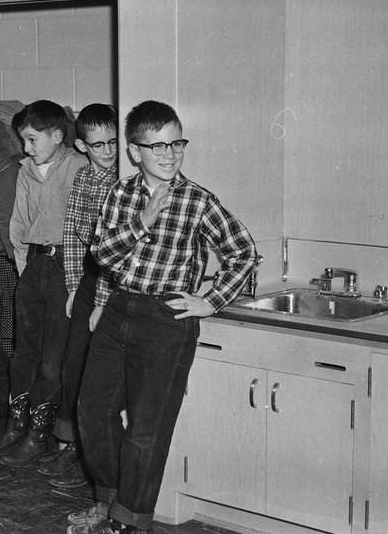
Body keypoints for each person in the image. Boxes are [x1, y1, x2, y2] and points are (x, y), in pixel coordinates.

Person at [69, 100, 258, 533]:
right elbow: (102, 256)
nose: (169, 154)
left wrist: (210, 301)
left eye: (176, 144)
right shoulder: (121, 194)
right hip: (119, 308)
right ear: (134, 151)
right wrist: (142, 221)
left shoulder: (197, 200)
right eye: (157, 146)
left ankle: (129, 521)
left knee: (146, 428)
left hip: (164, 318)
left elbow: (244, 252)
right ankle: (109, 502)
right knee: (92, 411)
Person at [0, 100, 86, 466]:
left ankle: (41, 435)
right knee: (23, 352)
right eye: (23, 140)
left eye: (32, 139)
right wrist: (25, 269)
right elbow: (19, 223)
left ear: (57, 136)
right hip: (35, 265)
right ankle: (17, 426)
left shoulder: (78, 167)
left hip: (66, 268)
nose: (26, 148)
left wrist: (75, 279)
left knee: (52, 358)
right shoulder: (26, 170)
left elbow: (83, 228)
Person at [38, 103, 119, 488]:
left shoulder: (125, 180)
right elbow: (72, 233)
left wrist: (103, 301)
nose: (108, 151)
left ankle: (93, 453)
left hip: (117, 282)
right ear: (83, 146)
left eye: (113, 142)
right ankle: (69, 443)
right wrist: (73, 287)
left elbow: (115, 249)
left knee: (103, 372)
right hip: (88, 277)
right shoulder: (84, 177)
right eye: (98, 145)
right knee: (73, 364)